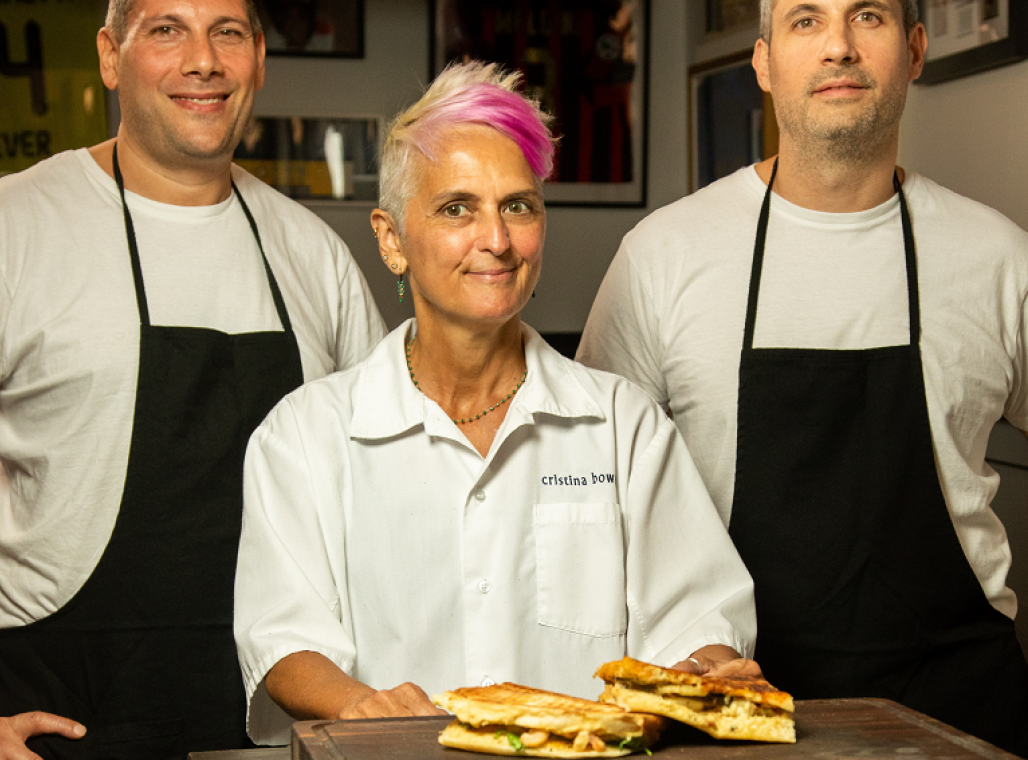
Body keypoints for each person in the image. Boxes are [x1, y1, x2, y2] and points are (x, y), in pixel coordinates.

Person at [0, 0, 384, 756]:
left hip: (273, 730)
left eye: (227, 32)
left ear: (259, 55)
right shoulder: (10, 230)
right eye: (166, 29)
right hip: (63, 719)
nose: (202, 60)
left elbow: (387, 494)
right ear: (109, 57)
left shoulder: (314, 256)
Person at [233, 61, 759, 746]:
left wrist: (710, 669)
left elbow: (699, 616)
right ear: (392, 240)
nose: (498, 240)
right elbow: (283, 636)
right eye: (458, 208)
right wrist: (359, 703)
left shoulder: (624, 427)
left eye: (519, 205)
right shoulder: (304, 437)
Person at [576, 0, 1028, 754]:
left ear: (915, 50)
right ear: (763, 61)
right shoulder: (664, 257)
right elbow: (593, 489)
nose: (839, 48)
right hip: (733, 700)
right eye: (806, 21)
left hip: (963, 707)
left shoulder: (1000, 259)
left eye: (870, 17)